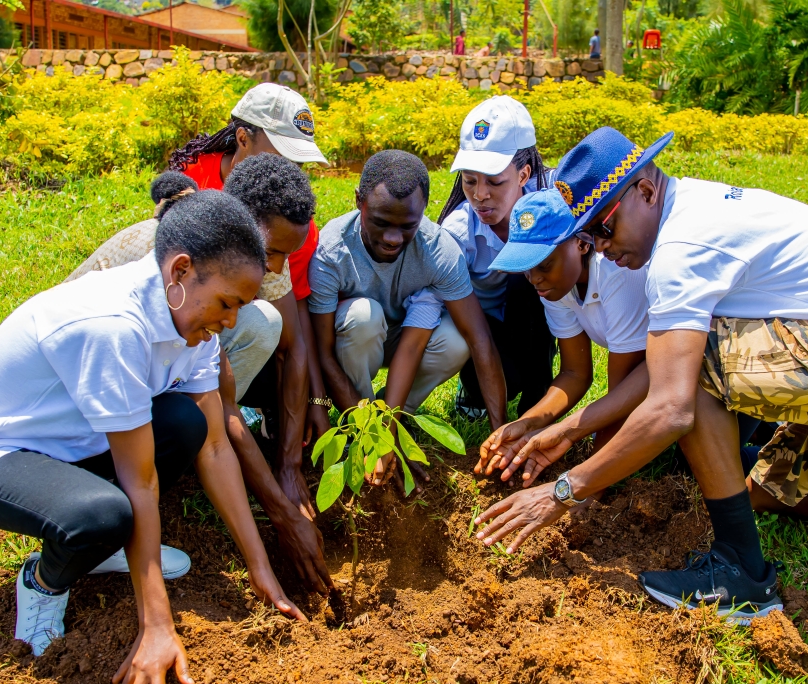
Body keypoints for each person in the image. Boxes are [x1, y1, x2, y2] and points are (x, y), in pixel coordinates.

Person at [474, 126, 808, 623]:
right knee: (765, 492)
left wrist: (563, 491)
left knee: (696, 368)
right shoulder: (686, 211)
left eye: (603, 225)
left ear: (645, 190)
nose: (600, 245)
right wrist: (563, 432)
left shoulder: (680, 248)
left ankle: (742, 572)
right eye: (587, 235)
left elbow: (671, 405)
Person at [0, 175, 306, 684]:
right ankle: (44, 581)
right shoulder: (112, 327)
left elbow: (215, 446)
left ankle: (104, 547)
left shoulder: (190, 318)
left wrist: (260, 566)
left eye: (240, 306)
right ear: (180, 271)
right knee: (105, 514)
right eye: (226, 303)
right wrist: (157, 625)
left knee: (188, 423)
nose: (231, 319)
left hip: (70, 445)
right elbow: (140, 480)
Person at [66, 158, 331, 591]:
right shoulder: (177, 263)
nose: (280, 269)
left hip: (147, 372)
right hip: (90, 386)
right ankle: (109, 505)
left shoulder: (230, 269)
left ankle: (161, 461)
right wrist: (281, 514)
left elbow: (290, 350)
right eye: (275, 254)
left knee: (261, 325)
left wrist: (289, 468)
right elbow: (219, 411)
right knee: (243, 341)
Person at [308, 150, 508, 487]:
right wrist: (372, 438)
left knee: (457, 340)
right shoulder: (333, 251)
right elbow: (322, 351)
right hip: (354, 339)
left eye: (407, 226)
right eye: (381, 222)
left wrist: (500, 431)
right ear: (359, 201)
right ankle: (362, 420)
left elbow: (478, 339)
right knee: (363, 317)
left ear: (424, 212)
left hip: (403, 337)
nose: (392, 238)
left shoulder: (437, 251)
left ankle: (396, 415)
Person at [168, 83, 334, 447]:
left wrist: (314, 401)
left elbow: (296, 324)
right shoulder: (189, 191)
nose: (292, 172)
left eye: (299, 163)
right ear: (243, 138)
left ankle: (234, 419)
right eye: (283, 157)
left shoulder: (294, 229)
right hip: (176, 333)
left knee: (266, 323)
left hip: (239, 344)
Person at [473, 188, 648, 482]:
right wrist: (527, 424)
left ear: (581, 243)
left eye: (544, 265)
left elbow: (620, 397)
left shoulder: (614, 272)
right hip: (644, 377)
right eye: (527, 269)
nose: (535, 279)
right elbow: (575, 373)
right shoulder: (557, 285)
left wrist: (589, 481)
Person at [433, 95, 556, 420]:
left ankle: (538, 396)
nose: (480, 194)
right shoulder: (458, 231)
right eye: (470, 181)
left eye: (495, 182)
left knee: (525, 279)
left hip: (535, 322)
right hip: (481, 329)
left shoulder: (550, 208)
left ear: (523, 174)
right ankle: (473, 390)